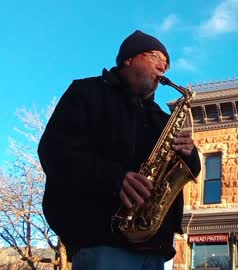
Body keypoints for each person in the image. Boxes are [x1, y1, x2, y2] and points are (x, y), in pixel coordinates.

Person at [38, 30, 201, 270]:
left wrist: (189, 153)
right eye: (156, 57)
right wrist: (115, 178)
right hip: (101, 240)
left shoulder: (161, 118)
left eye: (166, 64)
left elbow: (187, 169)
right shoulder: (86, 93)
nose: (163, 68)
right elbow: (54, 151)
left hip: (154, 247)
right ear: (129, 58)